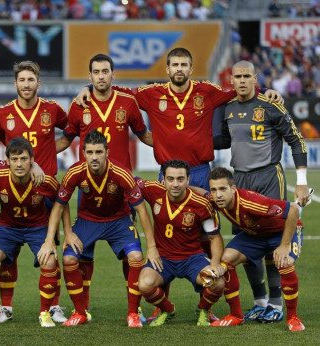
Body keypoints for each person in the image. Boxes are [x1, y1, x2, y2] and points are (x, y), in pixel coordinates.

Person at [75, 47, 282, 321]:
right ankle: (162, 307)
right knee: (166, 239)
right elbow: (117, 89)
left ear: (190, 68)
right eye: (174, 64)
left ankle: (222, 310)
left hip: (199, 174)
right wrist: (87, 88)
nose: (179, 69)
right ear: (168, 69)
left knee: (209, 241)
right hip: (167, 175)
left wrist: (265, 89)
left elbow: (238, 89)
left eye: (184, 64)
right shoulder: (152, 94)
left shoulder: (206, 91)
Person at [56, 53, 153, 319]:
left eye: (105, 71)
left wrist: (174, 147)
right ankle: (82, 308)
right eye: (96, 72)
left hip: (122, 191)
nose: (101, 76)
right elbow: (65, 140)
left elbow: (144, 135)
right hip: (87, 190)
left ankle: (135, 310)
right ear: (90, 77)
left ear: (113, 74)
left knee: (128, 256)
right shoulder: (79, 105)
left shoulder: (127, 102)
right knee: (82, 255)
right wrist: (36, 159)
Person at [214, 60, 309, 323]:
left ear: (255, 78)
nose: (242, 80)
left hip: (269, 176)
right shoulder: (228, 108)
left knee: (272, 240)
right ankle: (260, 301)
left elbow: (295, 139)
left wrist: (301, 181)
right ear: (230, 79)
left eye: (247, 76)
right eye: (238, 76)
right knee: (248, 242)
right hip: (240, 179)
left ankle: (277, 304)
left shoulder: (271, 105)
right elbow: (222, 139)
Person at [40, 130, 160, 327]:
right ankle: (80, 312)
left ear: (107, 152)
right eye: (89, 152)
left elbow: (142, 211)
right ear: (83, 152)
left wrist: (152, 246)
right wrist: (54, 238)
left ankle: (133, 313)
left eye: (98, 152)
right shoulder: (74, 172)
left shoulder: (122, 173)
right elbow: (59, 206)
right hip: (88, 220)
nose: (94, 157)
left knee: (136, 258)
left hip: (118, 220)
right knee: (69, 258)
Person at [0, 61, 68, 323]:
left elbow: (70, 133)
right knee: (9, 254)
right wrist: (20, 161)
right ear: (16, 84)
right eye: (22, 80)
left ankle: (54, 306)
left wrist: (46, 157)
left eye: (30, 80)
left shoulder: (52, 109)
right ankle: (6, 307)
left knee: (49, 251)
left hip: (44, 192)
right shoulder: (3, 114)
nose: (26, 84)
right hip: (15, 187)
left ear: (38, 83)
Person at [0, 137, 70, 328]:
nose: (19, 164)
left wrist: (67, 233)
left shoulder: (45, 180)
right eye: (15, 159)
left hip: (37, 228)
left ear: (32, 160)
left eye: (24, 159)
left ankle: (45, 313)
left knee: (50, 260)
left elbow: (62, 202)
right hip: (7, 227)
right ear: (7, 161)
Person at [206, 168, 305, 332]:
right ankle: (236, 316)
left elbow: (293, 209)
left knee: (285, 261)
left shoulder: (253, 202)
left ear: (233, 188)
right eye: (214, 190)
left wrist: (284, 245)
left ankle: (293, 317)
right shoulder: (214, 199)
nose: (218, 195)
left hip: (281, 232)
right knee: (226, 258)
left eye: (223, 189)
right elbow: (201, 194)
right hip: (256, 235)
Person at [136, 160, 225, 327]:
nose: (175, 184)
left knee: (217, 282)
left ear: (188, 179)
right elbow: (129, 180)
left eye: (180, 179)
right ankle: (167, 310)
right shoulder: (153, 190)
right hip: (163, 259)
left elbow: (215, 238)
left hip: (192, 259)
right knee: (145, 284)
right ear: (163, 179)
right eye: (170, 179)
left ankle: (203, 310)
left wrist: (214, 264)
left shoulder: (201, 204)